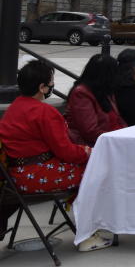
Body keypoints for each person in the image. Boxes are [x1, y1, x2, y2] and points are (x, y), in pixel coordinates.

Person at [0, 62, 116, 252]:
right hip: (36, 175)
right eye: (51, 82)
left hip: (15, 175)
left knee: (91, 167)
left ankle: (87, 229)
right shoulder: (45, 112)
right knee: (96, 170)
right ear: (42, 87)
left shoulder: (14, 109)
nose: (52, 86)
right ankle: (87, 234)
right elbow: (66, 152)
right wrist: (88, 152)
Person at [65, 53, 126, 146]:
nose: (117, 76)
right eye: (115, 72)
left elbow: (118, 119)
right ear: (106, 75)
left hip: (113, 139)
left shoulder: (105, 90)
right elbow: (90, 131)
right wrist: (117, 140)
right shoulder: (81, 93)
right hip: (97, 145)